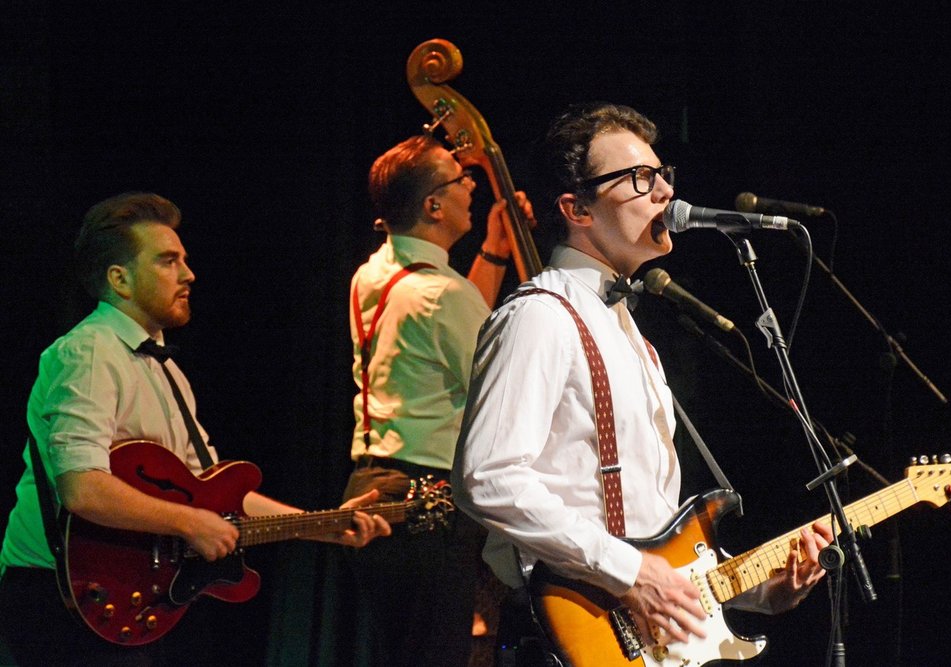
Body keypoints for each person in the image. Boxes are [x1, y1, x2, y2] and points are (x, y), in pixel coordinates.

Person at [451, 103, 835, 665]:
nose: (663, 193)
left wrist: (764, 591)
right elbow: (485, 477)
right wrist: (631, 573)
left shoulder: (633, 337)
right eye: (639, 179)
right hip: (565, 635)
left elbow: (657, 538)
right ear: (576, 207)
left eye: (662, 176)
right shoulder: (540, 315)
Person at [0, 192, 391, 667]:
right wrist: (189, 522)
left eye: (183, 260)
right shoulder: (87, 353)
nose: (189, 274)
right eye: (168, 261)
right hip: (60, 598)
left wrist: (323, 525)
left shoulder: (164, 368)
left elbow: (214, 493)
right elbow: (82, 490)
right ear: (119, 278)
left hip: (126, 596)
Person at [343, 134, 533, 667]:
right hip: (426, 507)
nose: (471, 185)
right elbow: (500, 386)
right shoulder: (441, 295)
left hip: (377, 488)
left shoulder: (374, 274)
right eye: (459, 178)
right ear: (433, 205)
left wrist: (496, 247)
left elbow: (453, 327)